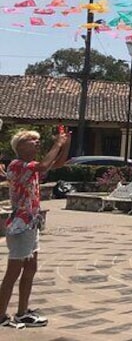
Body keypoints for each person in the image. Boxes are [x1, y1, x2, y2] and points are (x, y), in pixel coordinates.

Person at [1, 127, 71, 329]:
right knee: (13, 272)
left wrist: (65, 146)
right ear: (19, 146)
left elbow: (57, 164)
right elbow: (44, 166)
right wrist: (57, 143)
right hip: (20, 225)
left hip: (31, 223)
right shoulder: (17, 165)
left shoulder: (30, 165)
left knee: (30, 268)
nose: (36, 142)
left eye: (37, 140)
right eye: (31, 140)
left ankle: (22, 312)